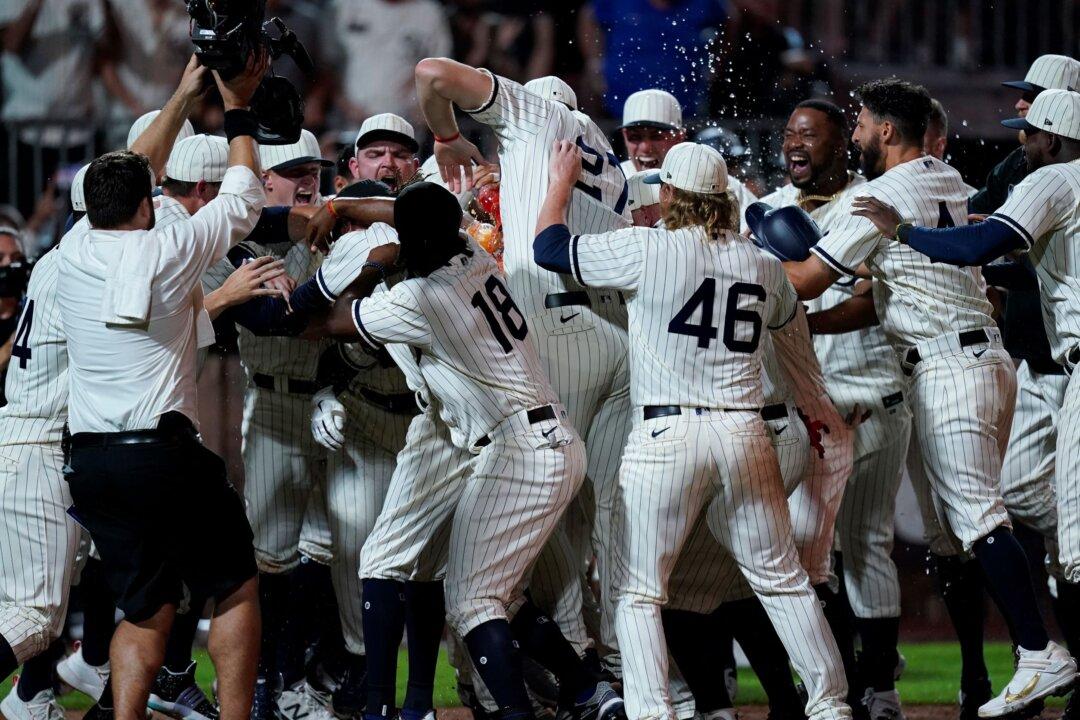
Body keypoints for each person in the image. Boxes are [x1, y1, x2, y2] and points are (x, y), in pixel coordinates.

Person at [779, 77, 1074, 719]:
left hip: (949, 364)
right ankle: (993, 679)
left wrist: (733, 264)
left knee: (977, 516)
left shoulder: (882, 193)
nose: (854, 134)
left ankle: (1037, 650)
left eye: (859, 124)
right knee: (953, 533)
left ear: (887, 131)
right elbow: (891, 273)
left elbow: (805, 280)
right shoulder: (945, 176)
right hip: (979, 360)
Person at [534, 139, 851, 720]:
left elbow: (550, 248)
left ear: (673, 195)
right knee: (782, 582)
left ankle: (654, 713)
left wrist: (559, 181)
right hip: (746, 435)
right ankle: (830, 706)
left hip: (668, 435)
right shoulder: (763, 264)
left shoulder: (649, 248)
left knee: (638, 593)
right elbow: (793, 339)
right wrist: (817, 411)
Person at [308, 181, 623, 720]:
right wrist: (341, 206)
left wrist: (371, 265)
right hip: (532, 435)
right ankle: (585, 689)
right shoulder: (472, 252)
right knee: (493, 591)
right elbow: (417, 215)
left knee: (475, 600)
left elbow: (331, 322)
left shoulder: (420, 297)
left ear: (411, 240)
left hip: (516, 448)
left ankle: (517, 709)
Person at [55, 51, 268, 720]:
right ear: (149, 204)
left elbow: (130, 170)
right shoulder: (172, 246)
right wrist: (236, 105)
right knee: (232, 584)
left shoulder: (71, 249)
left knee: (146, 608)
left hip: (89, 461)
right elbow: (243, 194)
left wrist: (182, 92)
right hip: (162, 455)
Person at [415, 58, 631, 672]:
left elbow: (432, 74)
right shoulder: (605, 157)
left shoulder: (538, 117)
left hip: (554, 325)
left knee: (538, 502)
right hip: (614, 335)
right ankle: (622, 661)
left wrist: (449, 135)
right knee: (612, 510)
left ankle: (575, 658)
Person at [758, 98, 913, 720]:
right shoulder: (767, 210)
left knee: (868, 540)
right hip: (803, 405)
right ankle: (834, 683)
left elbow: (874, 301)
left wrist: (796, 317)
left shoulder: (868, 204)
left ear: (840, 146)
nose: (796, 143)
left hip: (870, 389)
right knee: (803, 547)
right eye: (790, 133)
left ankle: (880, 688)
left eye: (811, 135)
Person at [200, 127, 339, 720]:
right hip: (277, 405)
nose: (308, 178)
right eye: (293, 170)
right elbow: (271, 322)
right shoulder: (232, 246)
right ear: (263, 183)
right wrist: (329, 296)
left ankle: (301, 678)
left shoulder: (337, 227)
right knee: (272, 557)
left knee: (332, 551)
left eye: (313, 168)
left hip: (339, 402)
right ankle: (258, 682)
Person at [333, 0, 451, 125]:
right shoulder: (346, 5)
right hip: (352, 117)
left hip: (406, 120)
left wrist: (423, 106)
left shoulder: (429, 12)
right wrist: (344, 103)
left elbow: (441, 67)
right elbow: (327, 61)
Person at [348, 114, 422, 194]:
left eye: (400, 156)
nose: (388, 163)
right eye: (375, 155)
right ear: (356, 168)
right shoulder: (335, 206)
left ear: (415, 169)